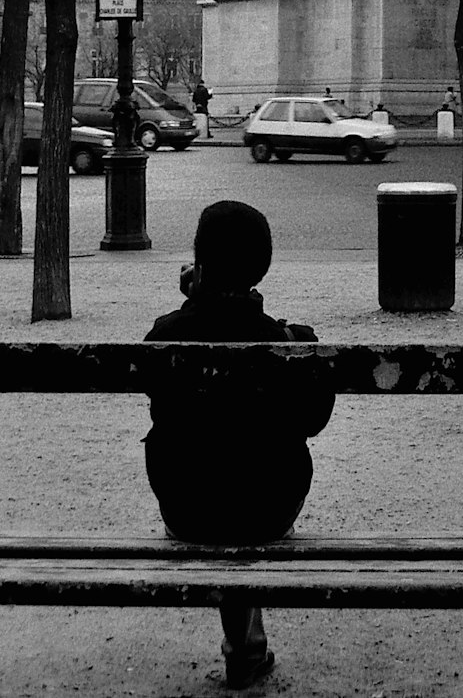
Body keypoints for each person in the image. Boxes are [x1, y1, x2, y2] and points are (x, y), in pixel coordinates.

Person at [144, 202, 336, 689]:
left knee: (216, 466)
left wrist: (198, 302)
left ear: (200, 264)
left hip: (187, 507)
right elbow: (314, 422)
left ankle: (245, 647)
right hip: (269, 507)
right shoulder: (289, 345)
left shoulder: (165, 338)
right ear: (261, 268)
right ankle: (246, 649)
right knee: (245, 474)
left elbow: (159, 401)